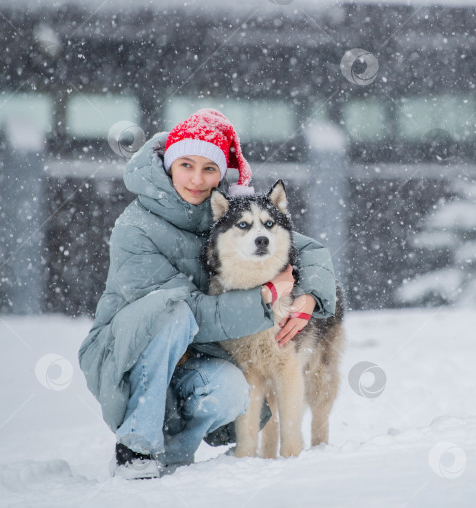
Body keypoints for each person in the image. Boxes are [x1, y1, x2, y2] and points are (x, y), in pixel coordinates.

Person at [78, 108, 338, 479]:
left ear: (221, 174)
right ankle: (137, 448)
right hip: (128, 354)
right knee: (174, 312)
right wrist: (266, 296)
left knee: (233, 389)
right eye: (187, 165)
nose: (197, 179)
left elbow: (308, 249)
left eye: (209, 168)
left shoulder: (222, 212)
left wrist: (309, 295)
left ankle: (175, 457)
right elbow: (193, 312)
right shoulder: (134, 228)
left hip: (194, 352)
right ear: (169, 165)